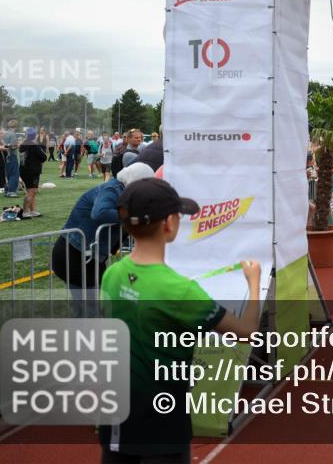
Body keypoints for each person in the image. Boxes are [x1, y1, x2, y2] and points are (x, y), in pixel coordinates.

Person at [99, 177, 261, 463]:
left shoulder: (112, 274)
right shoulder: (180, 290)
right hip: (163, 427)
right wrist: (254, 282)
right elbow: (247, 332)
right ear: (168, 223)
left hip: (117, 419)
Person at [51, 162, 155, 310]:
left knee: (92, 307)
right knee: (94, 308)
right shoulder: (112, 189)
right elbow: (100, 213)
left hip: (88, 256)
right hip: (74, 254)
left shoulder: (124, 193)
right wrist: (134, 218)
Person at [19, 128, 47, 218]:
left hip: (24, 170)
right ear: (34, 136)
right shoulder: (34, 145)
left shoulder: (23, 144)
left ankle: (33, 211)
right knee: (32, 191)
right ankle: (25, 212)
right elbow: (44, 157)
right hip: (32, 171)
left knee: (32, 191)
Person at [2, 119, 20, 197]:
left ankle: (7, 190)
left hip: (4, 155)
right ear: (16, 126)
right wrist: (19, 145)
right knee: (14, 174)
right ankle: (12, 191)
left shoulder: (4, 134)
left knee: (7, 174)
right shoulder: (13, 134)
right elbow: (13, 146)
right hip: (11, 155)